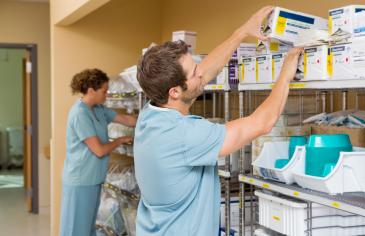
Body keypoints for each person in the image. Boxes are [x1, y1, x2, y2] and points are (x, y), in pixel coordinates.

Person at [134, 6, 302, 235]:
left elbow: (205, 71)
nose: (200, 73)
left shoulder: (151, 112)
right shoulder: (184, 135)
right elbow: (262, 123)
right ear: (174, 91)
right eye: (194, 73)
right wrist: (286, 71)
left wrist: (243, 31)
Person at [59, 68, 137, 236]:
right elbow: (99, 150)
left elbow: (126, 120)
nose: (106, 94)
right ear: (90, 90)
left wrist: (150, 119)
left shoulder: (99, 109)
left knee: (87, 228)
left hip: (93, 178)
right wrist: (119, 141)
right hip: (80, 181)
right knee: (75, 229)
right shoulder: (80, 114)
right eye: (104, 91)